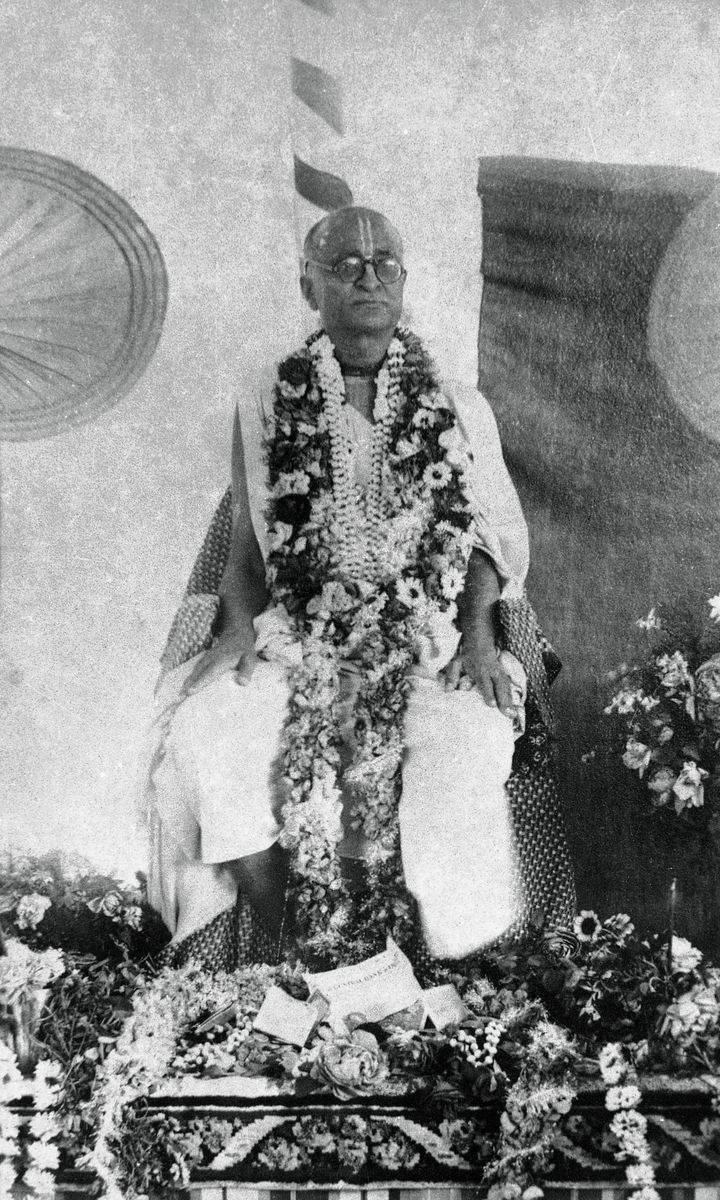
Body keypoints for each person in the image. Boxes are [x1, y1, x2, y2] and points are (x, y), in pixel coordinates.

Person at [143, 206, 569, 969]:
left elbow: (485, 543)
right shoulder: (266, 399)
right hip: (298, 640)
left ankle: (450, 974)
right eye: (345, 265)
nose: (368, 278)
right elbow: (246, 545)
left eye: (384, 265)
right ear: (309, 286)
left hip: (426, 641)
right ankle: (303, 950)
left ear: (403, 281)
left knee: (469, 740)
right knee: (209, 729)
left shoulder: (459, 406)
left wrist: (477, 640)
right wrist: (236, 632)